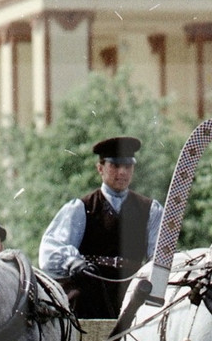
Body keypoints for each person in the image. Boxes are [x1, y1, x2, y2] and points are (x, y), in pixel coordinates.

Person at [38, 135, 163, 319]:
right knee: (75, 304)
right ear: (100, 168)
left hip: (133, 289)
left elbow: (159, 258)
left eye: (127, 166)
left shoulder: (151, 209)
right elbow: (50, 249)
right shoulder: (81, 207)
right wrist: (73, 262)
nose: (122, 172)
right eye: (115, 166)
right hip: (90, 288)